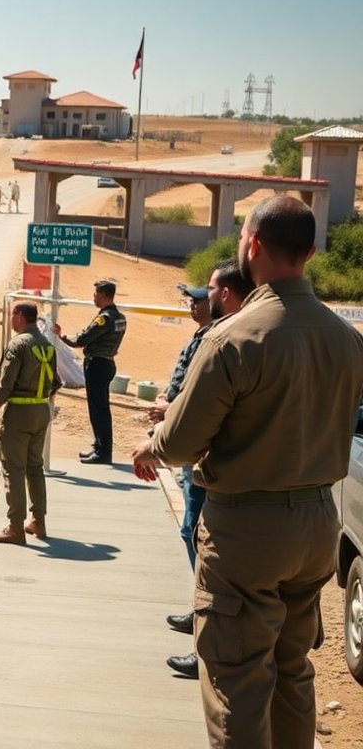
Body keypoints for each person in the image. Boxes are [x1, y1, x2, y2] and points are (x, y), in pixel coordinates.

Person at [132, 196, 363, 748]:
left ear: (252, 244)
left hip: (246, 531)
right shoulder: (349, 340)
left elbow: (184, 442)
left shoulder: (232, 338)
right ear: (310, 251)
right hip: (318, 527)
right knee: (292, 672)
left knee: (236, 679)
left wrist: (148, 448)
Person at [152, 260, 252, 679]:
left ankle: (208, 641)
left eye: (203, 293)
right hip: (201, 462)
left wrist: (166, 422)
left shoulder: (223, 341)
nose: (196, 302)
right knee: (192, 534)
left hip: (209, 464)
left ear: (223, 295)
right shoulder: (213, 337)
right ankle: (201, 616)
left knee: (206, 546)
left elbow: (205, 406)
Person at [0, 302, 62, 545]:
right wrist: (44, 407)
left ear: (19, 316)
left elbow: (4, 386)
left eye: (12, 316)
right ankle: (38, 521)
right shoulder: (48, 346)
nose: (11, 320)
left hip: (19, 412)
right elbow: (56, 383)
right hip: (41, 411)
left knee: (14, 469)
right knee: (35, 467)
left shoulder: (18, 344)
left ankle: (15, 528)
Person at [53, 280, 127, 464]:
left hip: (97, 365)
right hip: (107, 363)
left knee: (98, 409)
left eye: (95, 294)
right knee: (99, 408)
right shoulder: (119, 317)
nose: (93, 297)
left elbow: (83, 339)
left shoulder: (105, 318)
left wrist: (62, 337)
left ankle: (103, 452)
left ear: (103, 295)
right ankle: (99, 445)